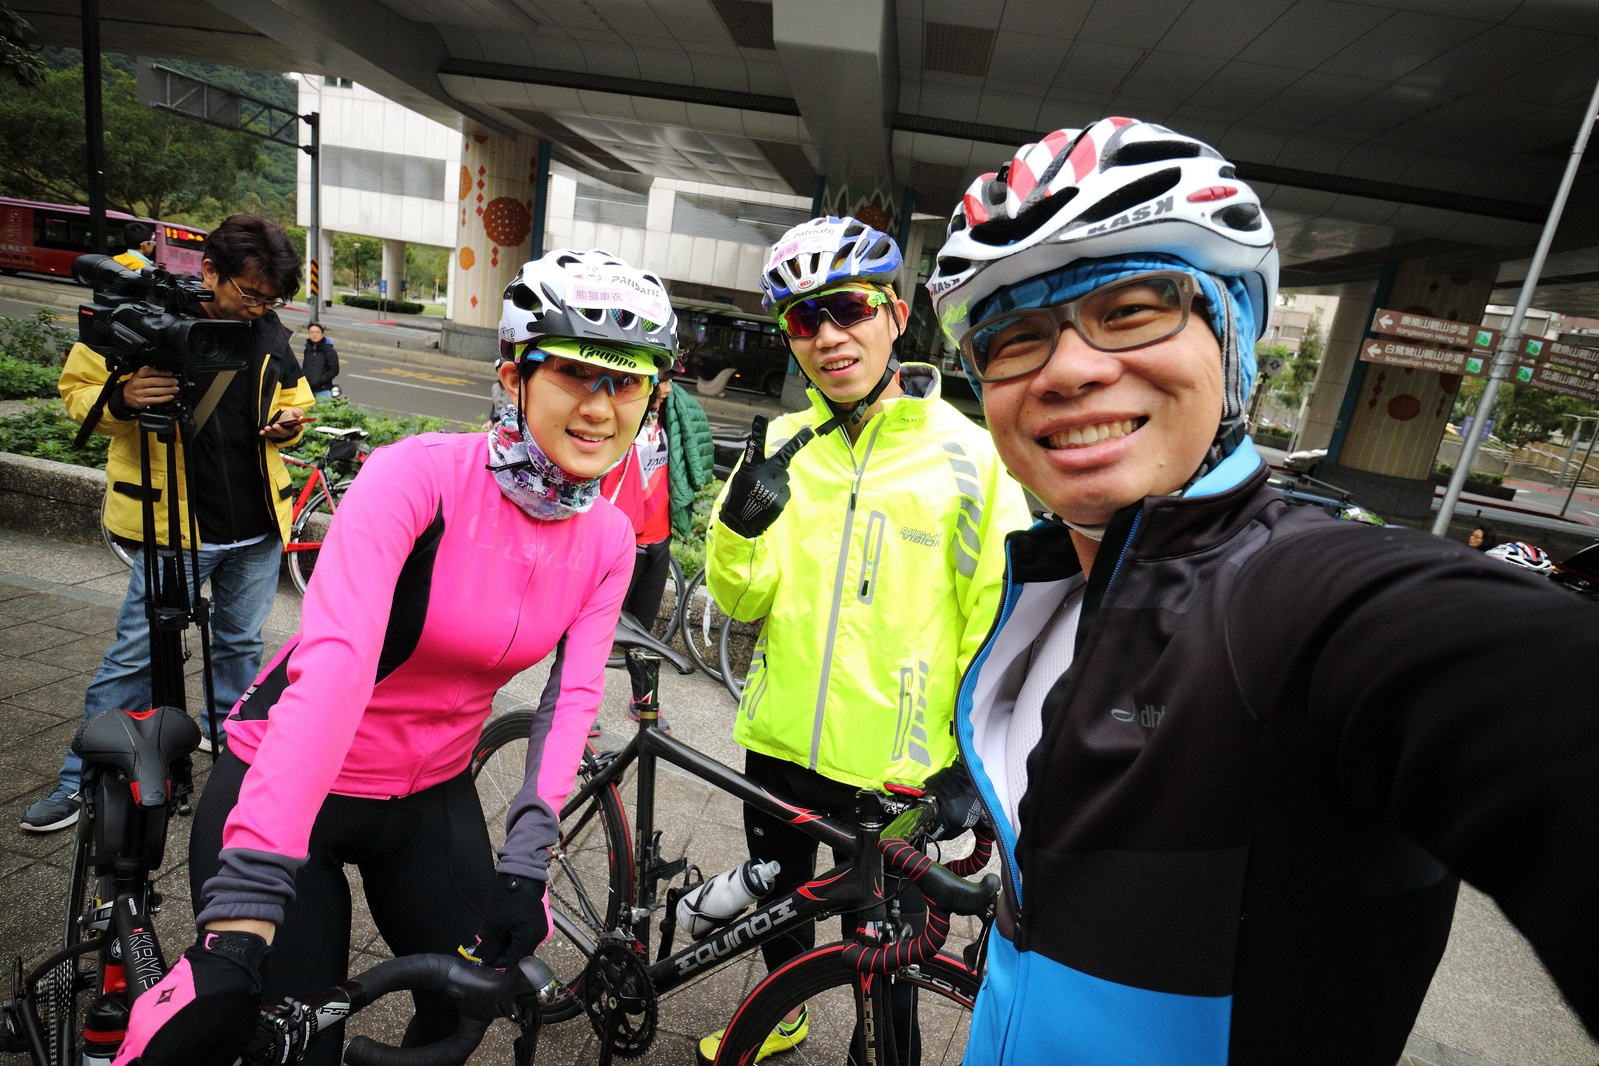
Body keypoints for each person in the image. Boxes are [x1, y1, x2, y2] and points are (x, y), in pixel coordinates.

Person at [926, 117, 1599, 1063]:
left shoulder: (1290, 596)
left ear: (1233, 337)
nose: (1069, 368)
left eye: (1133, 309)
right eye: (1014, 338)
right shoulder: (1052, 597)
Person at [109, 248, 677, 1066]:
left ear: (651, 395)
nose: (598, 407)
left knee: (464, 1014)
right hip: (294, 783)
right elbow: (336, 666)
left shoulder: (609, 538)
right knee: (300, 1042)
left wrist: (528, 862)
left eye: (625, 383)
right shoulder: (416, 477)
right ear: (515, 377)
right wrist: (248, 899)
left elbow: (571, 699)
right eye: (573, 373)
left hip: (429, 795)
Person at [699, 216, 1031, 1061]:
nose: (828, 337)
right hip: (778, 740)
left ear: (894, 315)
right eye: (803, 320)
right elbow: (742, 597)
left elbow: (998, 621)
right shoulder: (781, 444)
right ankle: (781, 1015)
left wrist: (969, 762)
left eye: (847, 309)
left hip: (896, 771)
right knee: (781, 906)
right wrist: (736, 531)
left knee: (889, 964)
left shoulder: (969, 458)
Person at [21, 214, 311, 833]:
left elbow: (296, 396)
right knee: (134, 656)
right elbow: (77, 392)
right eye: (249, 294)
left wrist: (289, 423)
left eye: (271, 300)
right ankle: (82, 780)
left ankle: (230, 749)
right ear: (210, 270)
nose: (258, 309)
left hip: (256, 525)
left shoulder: (269, 331)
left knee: (240, 646)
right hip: (176, 525)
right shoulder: (143, 313)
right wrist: (124, 398)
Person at [599, 359, 715, 731]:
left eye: (669, 381)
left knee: (644, 631)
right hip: (622, 540)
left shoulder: (668, 415)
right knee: (596, 631)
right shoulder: (619, 417)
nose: (667, 388)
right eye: (662, 381)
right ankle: (574, 706)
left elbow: (693, 442)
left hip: (658, 539)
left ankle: (644, 703)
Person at [300, 321, 340, 402]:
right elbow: (305, 367)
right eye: (311, 332)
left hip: (323, 390)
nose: (314, 335)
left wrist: (320, 380)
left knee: (322, 409)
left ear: (322, 334)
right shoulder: (307, 350)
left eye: (317, 332)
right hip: (308, 389)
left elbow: (334, 370)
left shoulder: (329, 351)